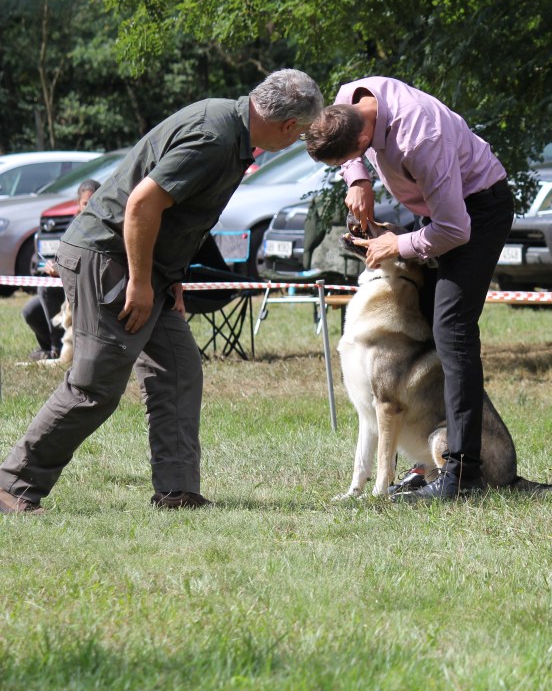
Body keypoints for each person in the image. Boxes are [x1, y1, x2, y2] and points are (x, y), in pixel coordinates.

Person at [0, 69, 324, 515]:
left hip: (146, 267)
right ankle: (13, 484)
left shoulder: (230, 129)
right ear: (288, 125)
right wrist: (138, 281)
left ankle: (176, 491)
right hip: (109, 257)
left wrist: (167, 280)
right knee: (95, 383)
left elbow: (175, 215)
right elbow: (142, 204)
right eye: (301, 133)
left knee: (177, 367)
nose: (297, 141)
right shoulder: (214, 137)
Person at [304, 76, 513, 502]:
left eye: (357, 155)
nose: (356, 162)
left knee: (452, 333)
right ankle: (425, 464)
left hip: (476, 212)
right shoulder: (351, 98)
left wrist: (396, 243)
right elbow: (353, 160)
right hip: (438, 213)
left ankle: (462, 472)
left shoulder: (420, 137)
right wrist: (357, 178)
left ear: (365, 135)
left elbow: (455, 229)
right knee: (427, 327)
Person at [21, 180, 101, 360]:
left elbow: (88, 261)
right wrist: (52, 265)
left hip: (86, 293)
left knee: (46, 290)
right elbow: (64, 256)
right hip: (65, 289)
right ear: (79, 204)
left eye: (94, 202)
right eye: (86, 203)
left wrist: (61, 268)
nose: (90, 207)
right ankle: (49, 347)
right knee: (30, 312)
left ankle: (58, 348)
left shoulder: (104, 228)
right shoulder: (73, 226)